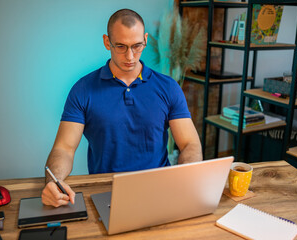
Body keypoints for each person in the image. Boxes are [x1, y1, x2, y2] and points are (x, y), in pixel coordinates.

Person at [41, 9, 202, 207]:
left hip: (159, 190)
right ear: (107, 42)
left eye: (137, 46)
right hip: (106, 193)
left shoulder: (168, 88)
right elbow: (64, 149)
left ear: (145, 39)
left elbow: (189, 144)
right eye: (120, 46)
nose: (130, 56)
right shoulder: (83, 90)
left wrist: (187, 178)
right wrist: (53, 183)